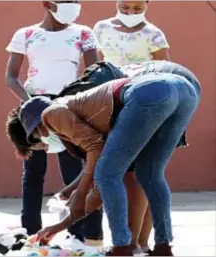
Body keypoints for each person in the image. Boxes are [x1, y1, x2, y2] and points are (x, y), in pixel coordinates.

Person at [8, 60, 200, 256]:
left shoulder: (51, 113)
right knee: (150, 174)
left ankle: (121, 247)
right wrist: (61, 224)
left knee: (108, 175)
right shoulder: (87, 116)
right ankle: (163, 247)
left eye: (39, 141)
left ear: (37, 128)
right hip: (186, 91)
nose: (45, 144)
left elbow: (98, 158)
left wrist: (80, 192)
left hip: (151, 91)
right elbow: (99, 182)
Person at [5, 0, 103, 245]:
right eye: (66, 1)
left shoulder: (83, 33)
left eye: (76, 1)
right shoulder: (26, 34)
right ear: (47, 4)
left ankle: (78, 233)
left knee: (73, 171)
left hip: (68, 108)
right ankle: (31, 232)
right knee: (33, 171)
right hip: (33, 109)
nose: (73, 6)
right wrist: (33, 106)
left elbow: (94, 72)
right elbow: (11, 77)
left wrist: (70, 103)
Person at [93, 1, 170, 252]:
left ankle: (138, 242)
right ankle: (132, 240)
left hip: (145, 107)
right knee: (122, 175)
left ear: (147, 4)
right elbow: (98, 67)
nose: (130, 13)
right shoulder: (102, 29)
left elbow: (164, 72)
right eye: (125, 6)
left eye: (138, 7)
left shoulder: (154, 34)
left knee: (141, 175)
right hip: (111, 104)